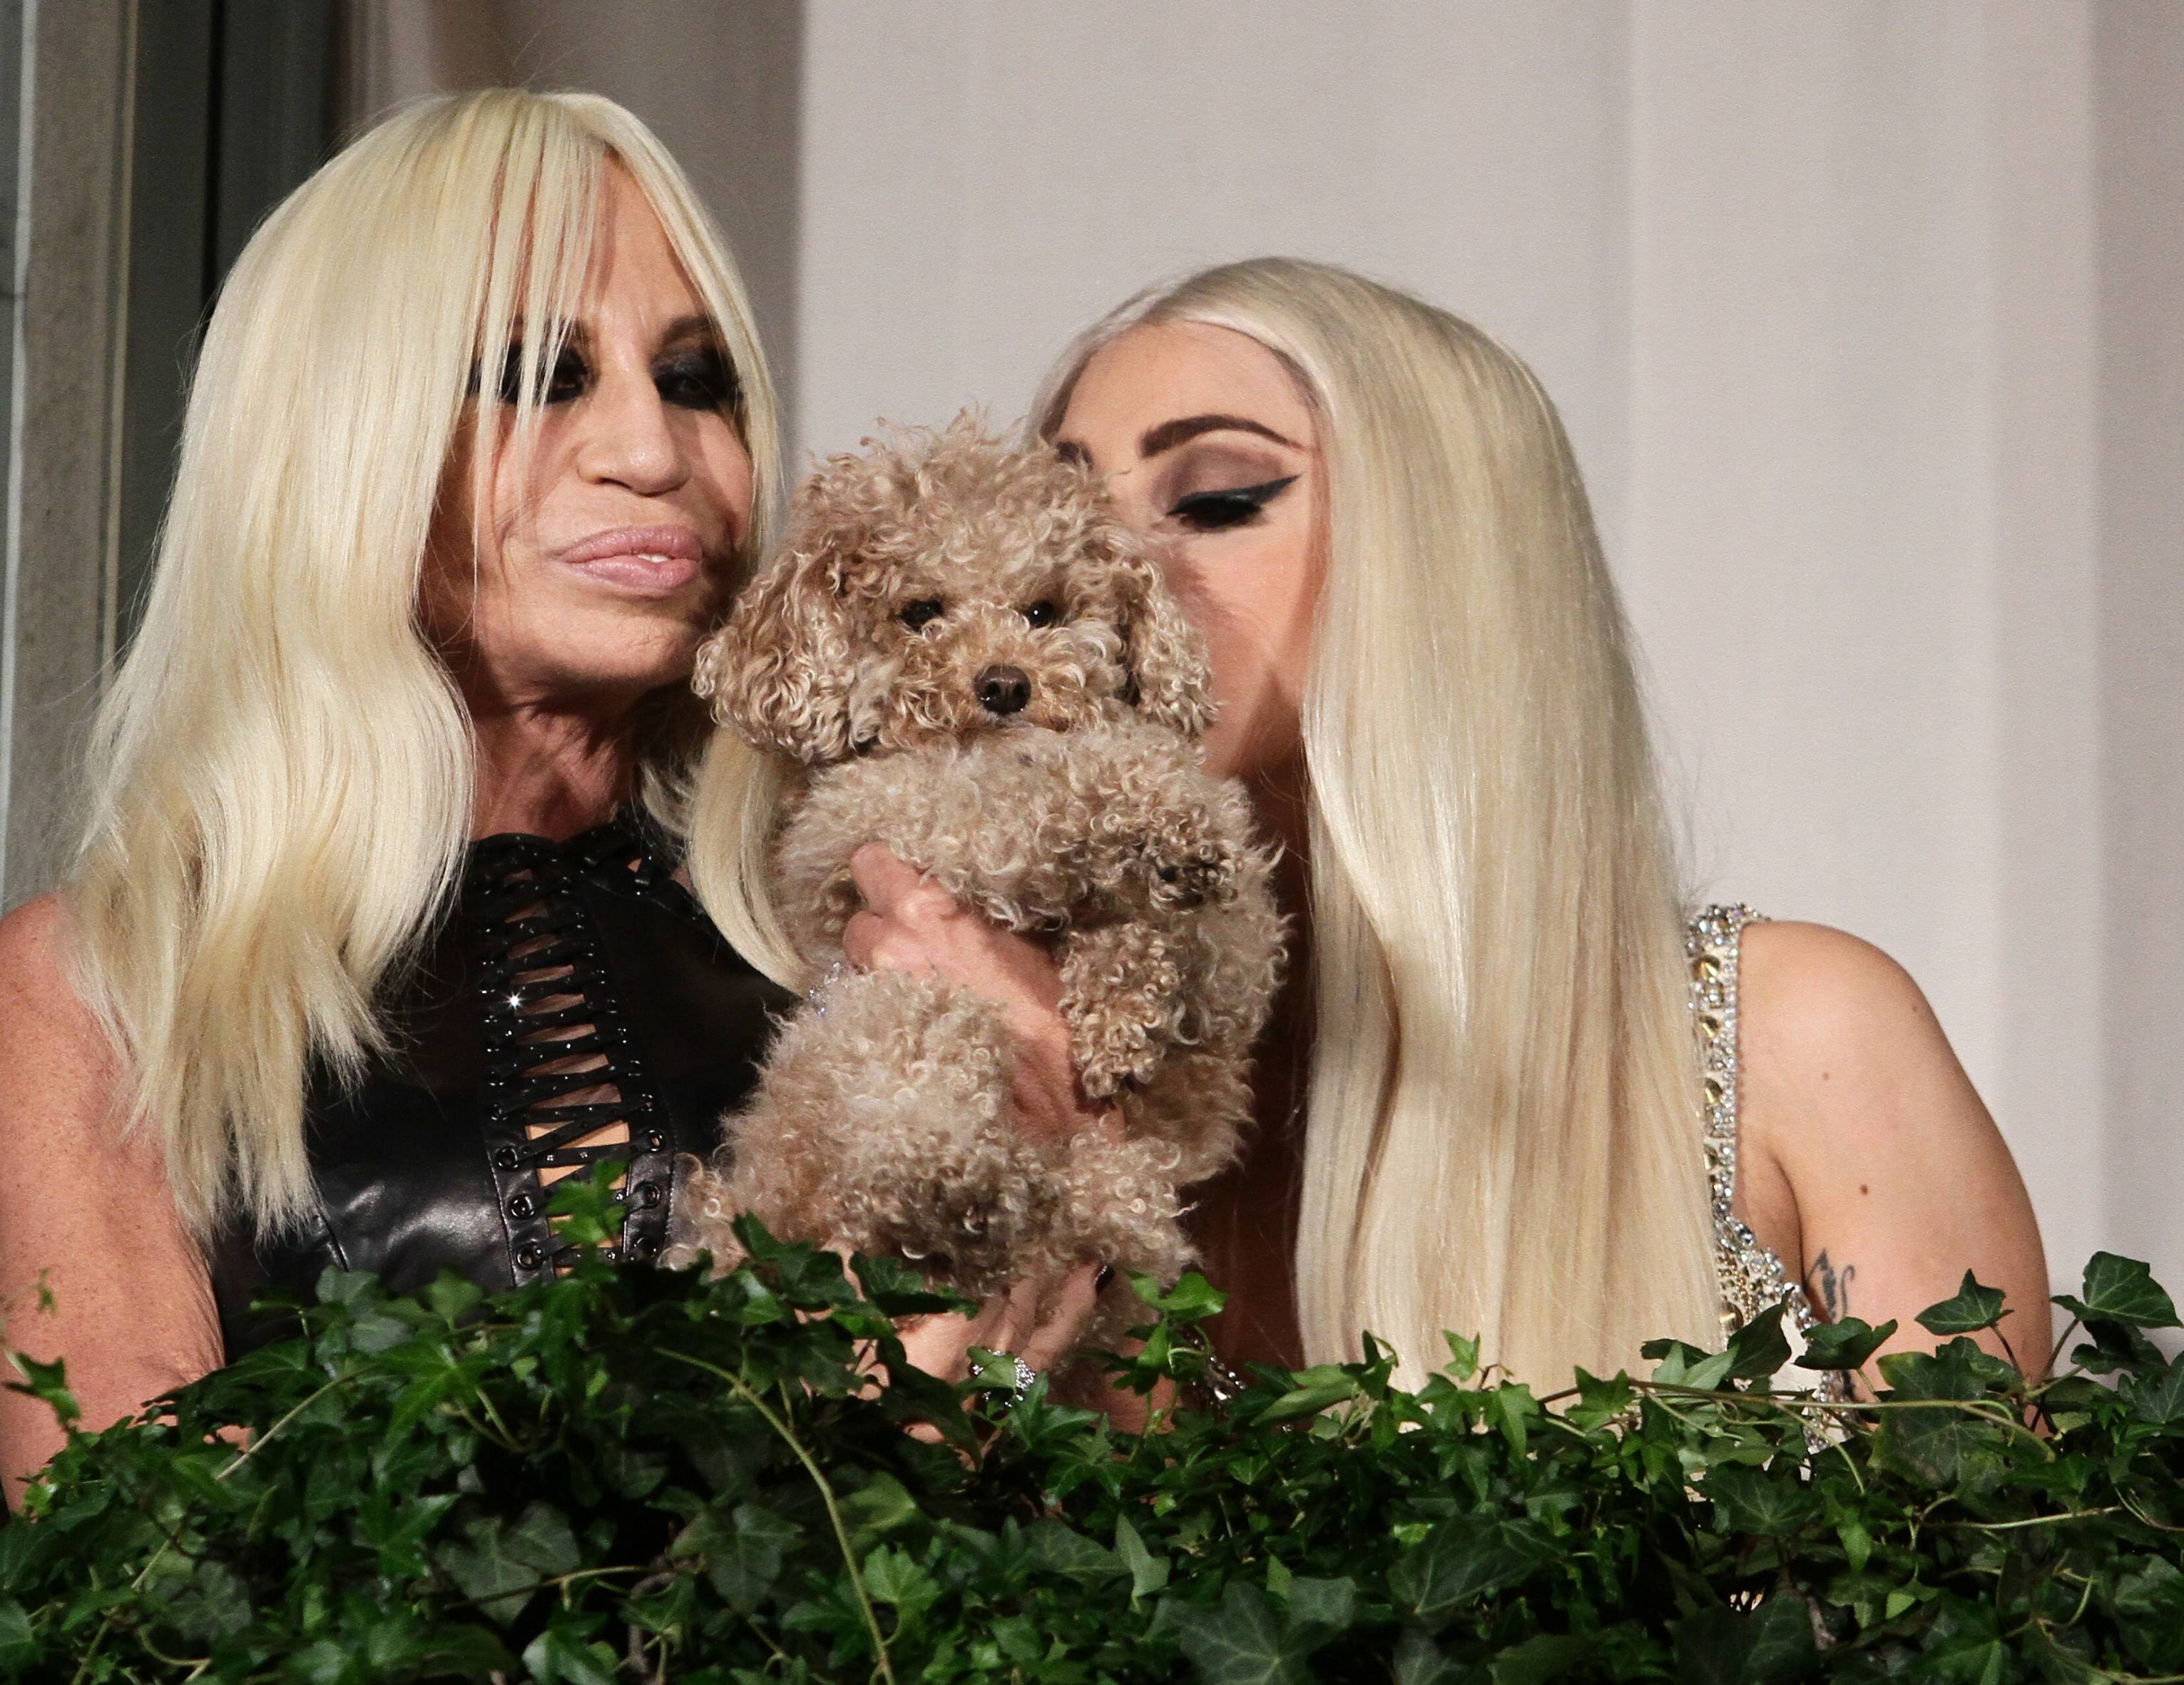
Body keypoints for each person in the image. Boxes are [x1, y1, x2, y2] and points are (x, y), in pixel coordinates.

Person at [691, 258, 2050, 1391]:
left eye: (1216, 499)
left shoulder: (1792, 1037)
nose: (1114, 569)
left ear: (1446, 561)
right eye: (1063, 521)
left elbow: (2003, 1582)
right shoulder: (991, 1058)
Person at [0, 89, 805, 1488]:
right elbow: (138, 1565)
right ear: (343, 435)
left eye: (694, 378)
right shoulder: (106, 990)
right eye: (539, 374)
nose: (652, 452)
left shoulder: (868, 933)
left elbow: (1093, 1466)